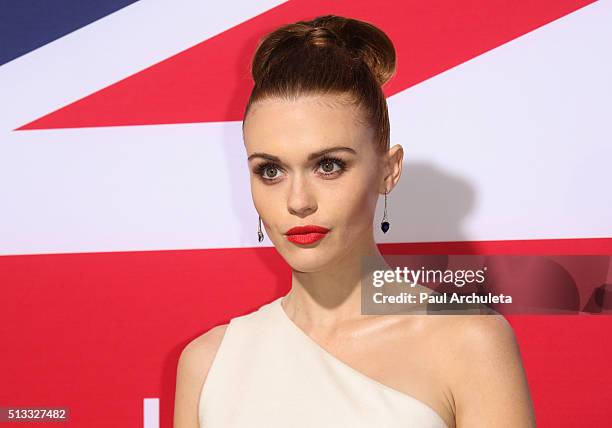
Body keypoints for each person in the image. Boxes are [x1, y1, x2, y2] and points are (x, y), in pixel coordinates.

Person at [174, 14, 536, 428]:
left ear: (389, 169)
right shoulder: (207, 364)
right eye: (270, 171)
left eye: (328, 165)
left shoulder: (469, 342)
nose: (298, 201)